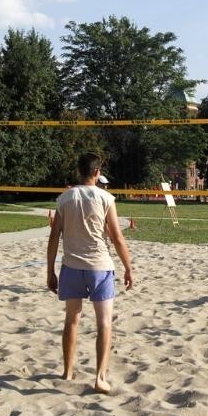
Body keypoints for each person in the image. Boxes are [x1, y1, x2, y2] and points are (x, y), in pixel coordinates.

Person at [47, 152, 134, 394]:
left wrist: (49, 271)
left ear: (79, 171)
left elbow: (54, 236)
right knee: (104, 322)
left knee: (71, 320)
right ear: (97, 173)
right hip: (100, 266)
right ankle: (99, 376)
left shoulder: (64, 198)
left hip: (71, 266)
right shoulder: (105, 197)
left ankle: (67, 371)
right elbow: (116, 237)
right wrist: (128, 267)